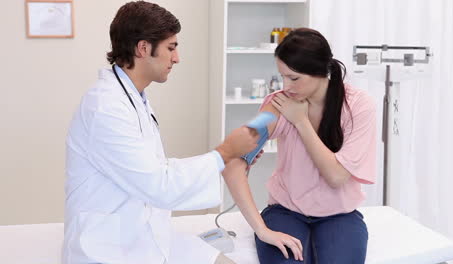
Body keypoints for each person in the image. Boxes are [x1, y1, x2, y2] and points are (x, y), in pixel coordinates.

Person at [62, 2, 259, 264]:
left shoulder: (132, 98)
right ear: (143, 48)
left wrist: (224, 161)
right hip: (108, 248)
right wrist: (223, 154)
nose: (176, 58)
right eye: (171, 47)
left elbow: (154, 171)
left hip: (142, 233)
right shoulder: (106, 108)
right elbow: (159, 185)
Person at [222, 28, 377, 264]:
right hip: (285, 212)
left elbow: (336, 176)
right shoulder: (277, 105)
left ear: (322, 71)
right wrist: (263, 230)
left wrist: (301, 121)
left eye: (294, 78)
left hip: (340, 216)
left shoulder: (358, 106)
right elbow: (232, 162)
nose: (286, 85)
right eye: (282, 76)